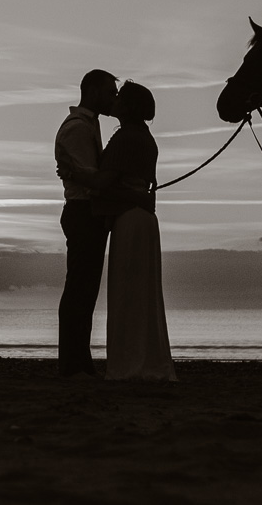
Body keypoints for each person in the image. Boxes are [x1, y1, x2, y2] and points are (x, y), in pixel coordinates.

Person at [67, 81, 176, 381]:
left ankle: (131, 363)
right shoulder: (142, 137)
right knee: (140, 293)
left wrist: (73, 171)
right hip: (140, 219)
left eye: (119, 97)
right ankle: (142, 359)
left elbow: (103, 182)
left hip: (130, 221)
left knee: (128, 292)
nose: (113, 100)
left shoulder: (127, 137)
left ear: (127, 107)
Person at [53, 69, 118, 378]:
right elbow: (91, 178)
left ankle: (77, 360)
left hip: (86, 211)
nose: (114, 99)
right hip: (83, 211)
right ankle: (72, 362)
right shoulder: (78, 128)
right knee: (80, 288)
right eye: (110, 93)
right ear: (93, 92)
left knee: (84, 289)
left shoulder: (87, 125)